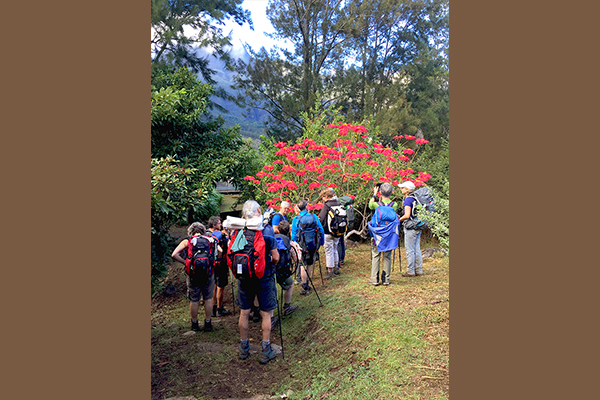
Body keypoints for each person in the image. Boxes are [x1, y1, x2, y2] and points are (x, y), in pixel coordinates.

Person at [232, 200, 280, 364]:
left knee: (244, 312)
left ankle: (244, 348)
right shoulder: (266, 230)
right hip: (264, 277)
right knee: (265, 313)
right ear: (259, 211)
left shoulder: (239, 230)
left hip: (244, 276)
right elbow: (275, 257)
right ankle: (266, 349)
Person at [171, 222, 218, 332]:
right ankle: (208, 323)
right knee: (208, 298)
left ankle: (195, 324)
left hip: (193, 274)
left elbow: (174, 254)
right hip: (208, 273)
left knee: (194, 299)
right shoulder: (210, 239)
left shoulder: (187, 241)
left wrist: (186, 263)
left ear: (191, 231)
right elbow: (219, 252)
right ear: (203, 231)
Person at [291, 199, 325, 295]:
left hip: (302, 246)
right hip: (313, 245)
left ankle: (304, 286)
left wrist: (294, 246)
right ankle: (308, 283)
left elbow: (293, 235)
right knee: (309, 264)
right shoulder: (314, 217)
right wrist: (321, 243)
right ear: (306, 207)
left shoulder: (296, 219)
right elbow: (321, 230)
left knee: (303, 265)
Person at [368, 183, 399, 286]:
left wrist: (374, 194)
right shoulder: (394, 205)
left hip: (377, 235)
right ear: (391, 193)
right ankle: (386, 280)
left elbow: (370, 204)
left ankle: (374, 280)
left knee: (376, 255)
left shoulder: (376, 205)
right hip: (389, 235)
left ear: (380, 193)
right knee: (387, 256)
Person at [273, 220, 299, 320]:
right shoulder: (287, 240)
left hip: (271, 270)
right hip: (282, 270)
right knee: (290, 284)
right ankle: (287, 306)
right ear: (288, 230)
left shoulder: (272, 238)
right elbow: (295, 258)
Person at [207, 216, 232, 317]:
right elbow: (223, 250)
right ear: (214, 225)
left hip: (210, 264)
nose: (220, 225)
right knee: (220, 287)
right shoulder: (221, 236)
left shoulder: (205, 234)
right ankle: (219, 308)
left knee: (214, 285)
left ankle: (212, 308)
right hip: (220, 264)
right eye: (219, 223)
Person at [398, 181, 423, 277]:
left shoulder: (408, 199)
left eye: (402, 188)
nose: (401, 189)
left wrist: (398, 220)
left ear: (407, 189)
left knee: (410, 249)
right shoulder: (416, 198)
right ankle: (419, 270)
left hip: (410, 227)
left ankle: (410, 271)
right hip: (418, 225)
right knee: (417, 248)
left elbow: (407, 215)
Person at [318, 188, 342, 278]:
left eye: (323, 197)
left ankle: (330, 271)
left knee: (329, 251)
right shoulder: (338, 203)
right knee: (335, 249)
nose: (322, 199)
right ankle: (336, 268)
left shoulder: (327, 205)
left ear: (326, 196)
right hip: (338, 231)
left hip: (328, 231)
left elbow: (321, 217)